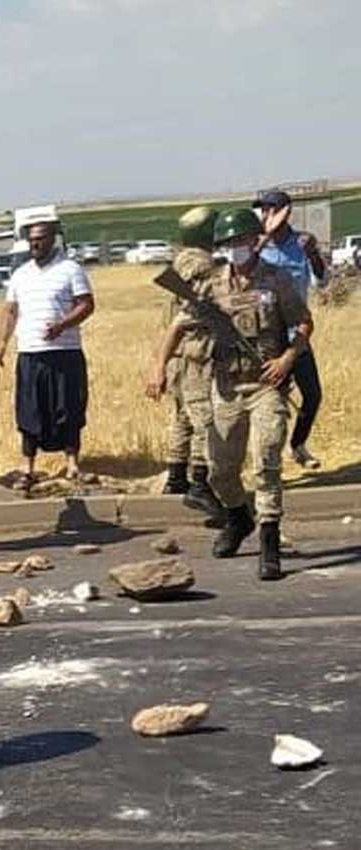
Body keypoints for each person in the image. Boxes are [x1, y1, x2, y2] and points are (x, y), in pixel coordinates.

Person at [186, 206, 312, 581]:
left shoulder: (275, 280)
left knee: (267, 458)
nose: (236, 248)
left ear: (254, 241)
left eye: (241, 241)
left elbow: (304, 323)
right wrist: (164, 363)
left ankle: (269, 540)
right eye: (229, 243)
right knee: (220, 471)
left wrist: (287, 359)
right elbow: (185, 327)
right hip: (226, 387)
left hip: (266, 385)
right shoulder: (211, 285)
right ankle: (239, 518)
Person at [0, 208, 96, 493]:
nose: (35, 244)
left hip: (64, 352)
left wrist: (63, 325)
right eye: (31, 239)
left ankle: (72, 463)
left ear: (53, 239)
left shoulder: (70, 269)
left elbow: (87, 305)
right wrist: (2, 343)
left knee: (69, 408)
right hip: (30, 353)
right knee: (30, 411)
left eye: (40, 239)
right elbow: (11, 311)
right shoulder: (20, 274)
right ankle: (27, 468)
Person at [145, 208, 228, 524]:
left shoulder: (184, 259)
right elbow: (189, 315)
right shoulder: (201, 264)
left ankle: (176, 476)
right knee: (204, 419)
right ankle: (199, 483)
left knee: (182, 417)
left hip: (183, 354)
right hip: (196, 353)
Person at [253, 189, 329, 470]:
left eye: (272, 209)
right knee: (273, 402)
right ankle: (270, 464)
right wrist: (261, 241)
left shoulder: (302, 242)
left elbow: (322, 281)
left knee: (312, 395)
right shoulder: (255, 246)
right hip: (268, 338)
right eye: (262, 209)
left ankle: (298, 445)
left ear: (287, 211)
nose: (266, 215)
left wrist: (314, 255)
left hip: (297, 334)